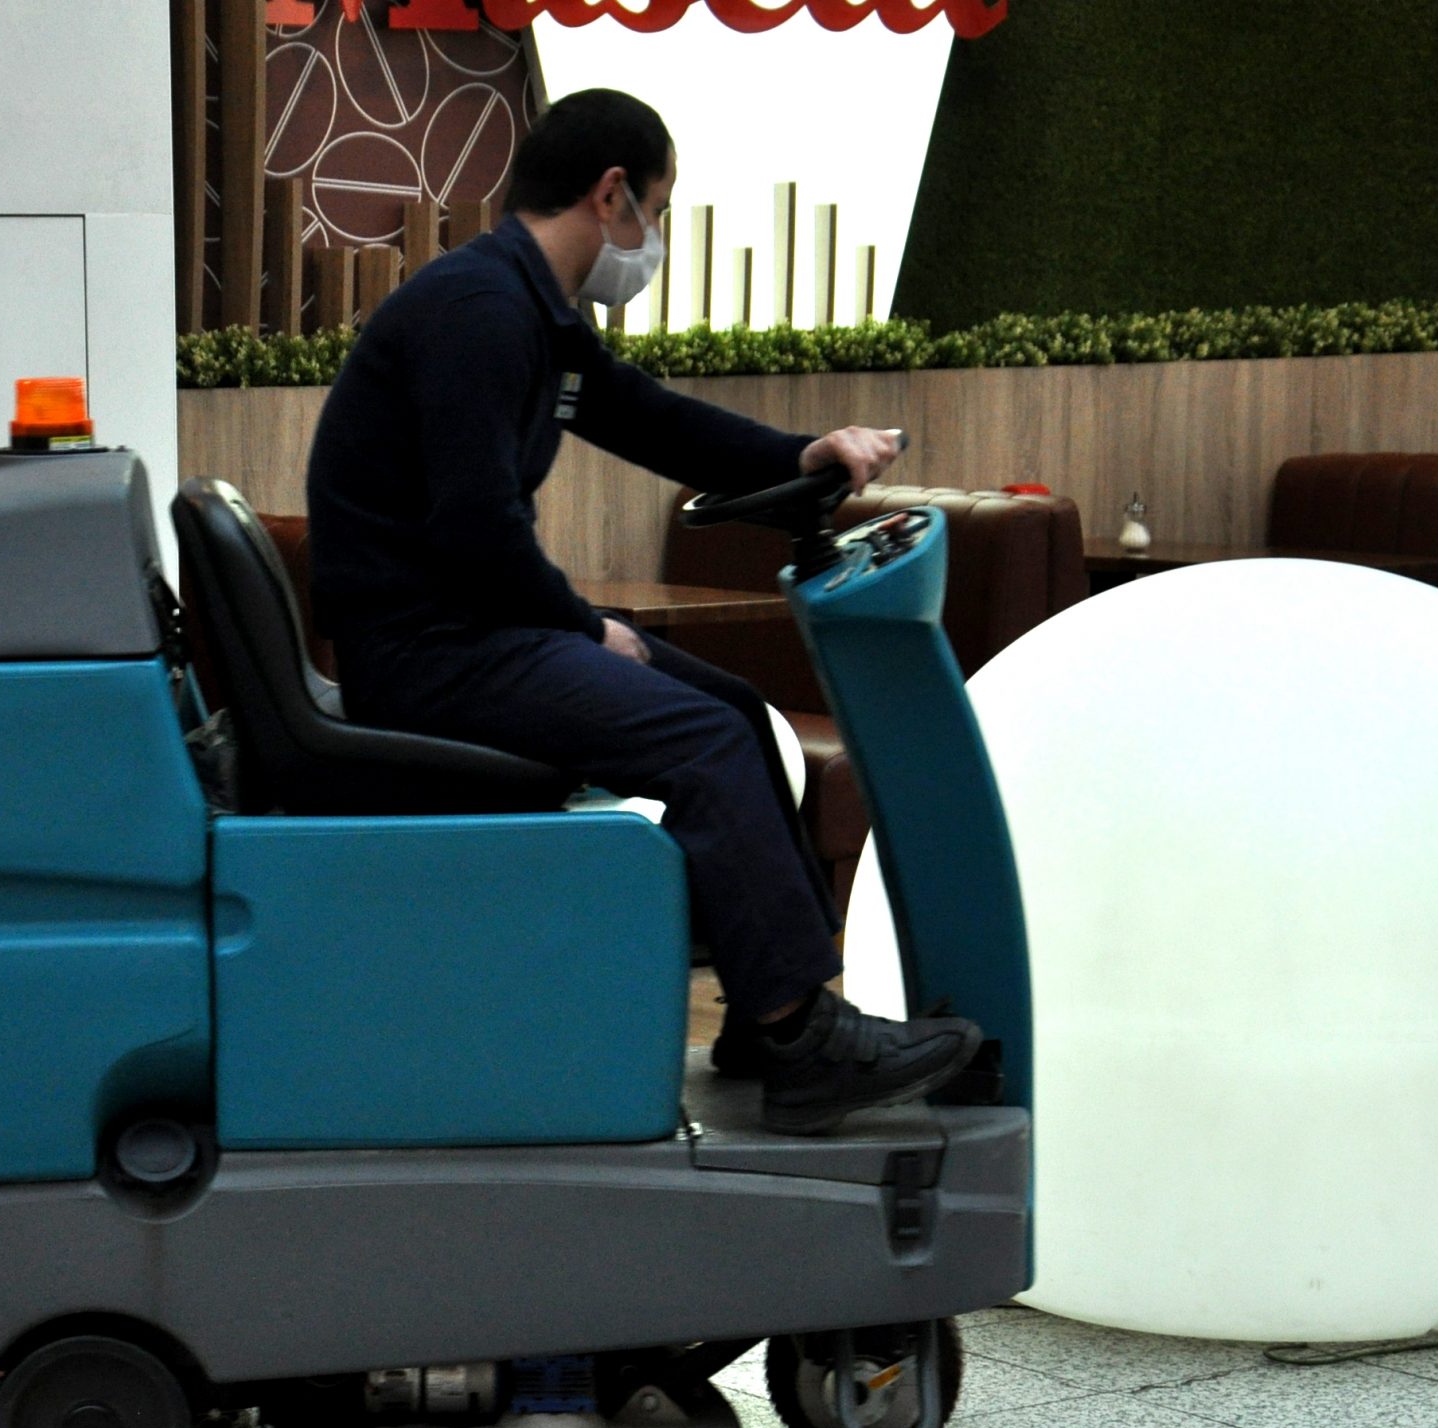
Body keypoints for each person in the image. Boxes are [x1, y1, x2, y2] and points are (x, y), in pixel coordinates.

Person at [304, 88, 979, 1135]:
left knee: (742, 717)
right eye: (655, 210)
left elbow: (646, 417)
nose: (649, 238)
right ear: (610, 192)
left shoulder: (531, 311)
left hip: (466, 632)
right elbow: (475, 529)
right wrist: (585, 627)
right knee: (702, 740)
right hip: (430, 652)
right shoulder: (478, 314)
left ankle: (776, 1017)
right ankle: (805, 1042)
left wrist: (800, 457)